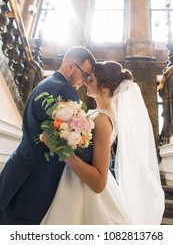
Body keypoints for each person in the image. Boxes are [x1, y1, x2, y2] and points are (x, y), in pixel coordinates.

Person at [40, 61, 165, 225]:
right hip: (75, 183)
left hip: (88, 195)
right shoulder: (100, 114)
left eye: (90, 79)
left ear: (105, 87)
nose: (85, 82)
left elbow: (99, 182)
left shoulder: (102, 120)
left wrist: (59, 148)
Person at [0, 46, 96, 225]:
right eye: (85, 74)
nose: (85, 81)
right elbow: (71, 142)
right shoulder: (64, 91)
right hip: (34, 186)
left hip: (20, 173)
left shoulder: (45, 84)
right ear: (70, 65)